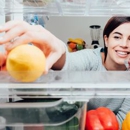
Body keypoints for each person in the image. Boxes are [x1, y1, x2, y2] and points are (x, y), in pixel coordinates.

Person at [0, 16, 130, 129]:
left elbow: (123, 121)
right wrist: (60, 50)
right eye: (117, 37)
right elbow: (69, 63)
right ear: (106, 40)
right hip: (73, 123)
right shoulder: (92, 58)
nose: (124, 44)